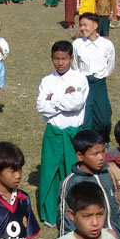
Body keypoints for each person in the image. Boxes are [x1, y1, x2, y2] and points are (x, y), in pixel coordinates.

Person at [37, 41, 88, 226]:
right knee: (50, 174)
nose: (60, 63)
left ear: (71, 58)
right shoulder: (47, 81)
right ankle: (50, 214)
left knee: (72, 174)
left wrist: (54, 98)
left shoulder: (79, 79)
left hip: (72, 134)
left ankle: (73, 215)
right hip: (53, 133)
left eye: (64, 59)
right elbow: (42, 107)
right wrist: (63, 96)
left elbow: (76, 103)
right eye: (56, 59)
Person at [59, 129, 120, 239]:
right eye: (95, 154)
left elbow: (114, 206)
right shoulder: (71, 183)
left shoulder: (106, 174)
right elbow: (66, 222)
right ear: (80, 156)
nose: (101, 157)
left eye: (103, 152)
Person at [72, 13, 115, 142]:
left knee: (103, 117)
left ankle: (101, 142)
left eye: (85, 25)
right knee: (86, 117)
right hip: (84, 83)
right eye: (81, 25)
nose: (82, 28)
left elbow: (110, 65)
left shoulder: (106, 45)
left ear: (95, 25)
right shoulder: (77, 44)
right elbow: (75, 65)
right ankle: (86, 145)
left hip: (100, 83)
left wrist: (101, 77)